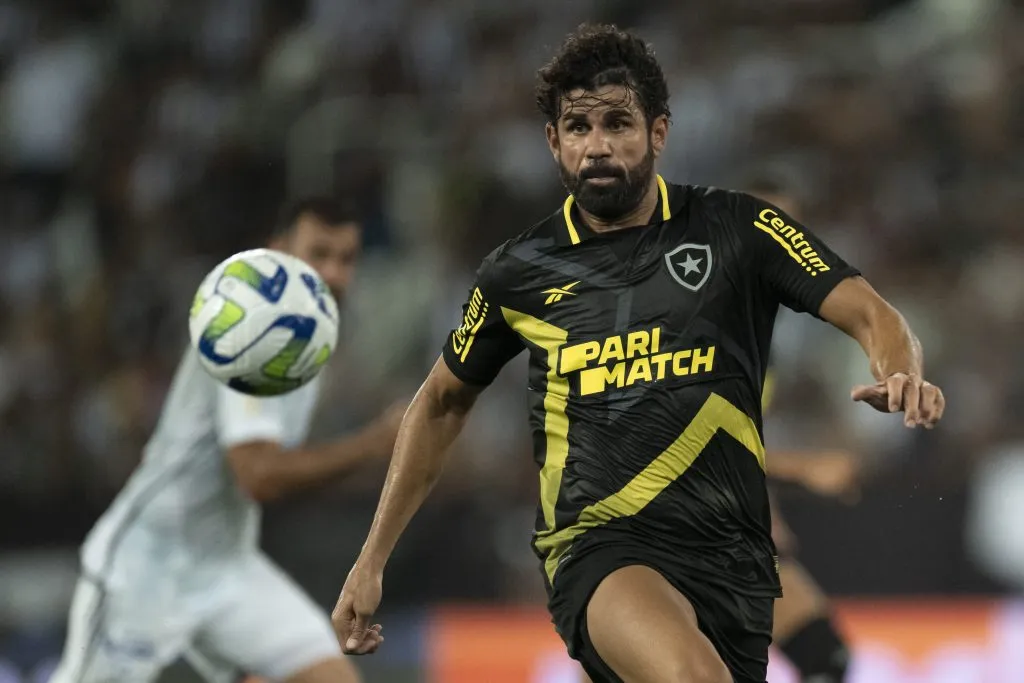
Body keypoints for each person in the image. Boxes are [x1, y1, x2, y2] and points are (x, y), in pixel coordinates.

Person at [332, 24, 945, 683]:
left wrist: (901, 368)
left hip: (731, 558)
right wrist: (371, 557)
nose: (597, 145)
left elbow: (872, 313)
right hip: (601, 546)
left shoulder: (737, 228)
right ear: (553, 142)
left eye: (617, 123)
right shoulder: (519, 272)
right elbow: (442, 401)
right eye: (578, 127)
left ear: (658, 132)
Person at [50, 197, 402, 683]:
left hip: (225, 569)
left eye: (346, 259)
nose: (334, 274)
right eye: (319, 254)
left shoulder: (309, 340)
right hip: (145, 568)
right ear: (277, 253)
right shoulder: (244, 331)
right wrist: (376, 443)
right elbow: (258, 475)